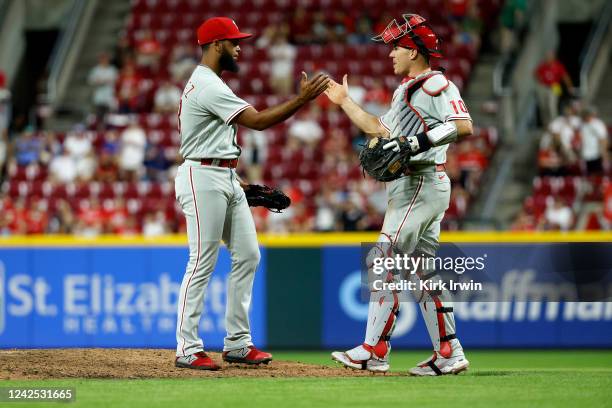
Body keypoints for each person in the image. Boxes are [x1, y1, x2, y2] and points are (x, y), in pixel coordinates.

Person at [174, 17, 329, 371]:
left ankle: (238, 343)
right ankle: (187, 346)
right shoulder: (207, 84)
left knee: (248, 254)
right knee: (201, 262)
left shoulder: (213, 82)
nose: (239, 46)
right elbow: (257, 121)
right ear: (216, 45)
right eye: (233, 41)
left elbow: (216, 140)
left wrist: (236, 182)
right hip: (202, 175)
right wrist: (301, 100)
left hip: (223, 173)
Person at [325, 13, 473, 376]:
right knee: (422, 270)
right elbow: (380, 130)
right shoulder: (407, 89)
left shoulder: (435, 83)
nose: (390, 53)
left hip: (420, 182)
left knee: (384, 259)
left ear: (412, 48)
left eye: (395, 46)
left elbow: (462, 126)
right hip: (418, 183)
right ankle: (448, 351)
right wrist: (345, 102)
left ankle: (374, 349)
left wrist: (416, 142)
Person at [534, 51, 574, 126]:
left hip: (555, 86)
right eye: (547, 57)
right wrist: (540, 80)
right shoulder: (543, 66)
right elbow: (536, 74)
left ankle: (554, 123)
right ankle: (546, 124)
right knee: (543, 106)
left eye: (549, 57)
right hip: (544, 86)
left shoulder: (558, 66)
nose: (547, 59)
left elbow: (565, 77)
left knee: (552, 105)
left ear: (553, 58)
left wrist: (570, 86)